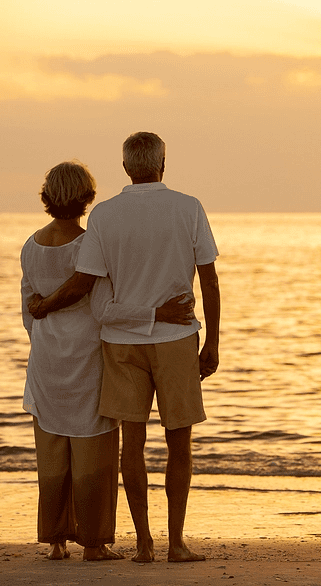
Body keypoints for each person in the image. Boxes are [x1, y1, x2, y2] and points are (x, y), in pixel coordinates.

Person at [28, 132, 221, 563]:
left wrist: (42, 308)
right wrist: (212, 343)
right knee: (179, 443)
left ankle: (144, 544)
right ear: (163, 162)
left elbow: (86, 285)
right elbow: (209, 278)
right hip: (175, 341)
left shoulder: (105, 217)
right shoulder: (188, 207)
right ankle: (176, 542)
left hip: (120, 346)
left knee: (130, 444)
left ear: (125, 167)